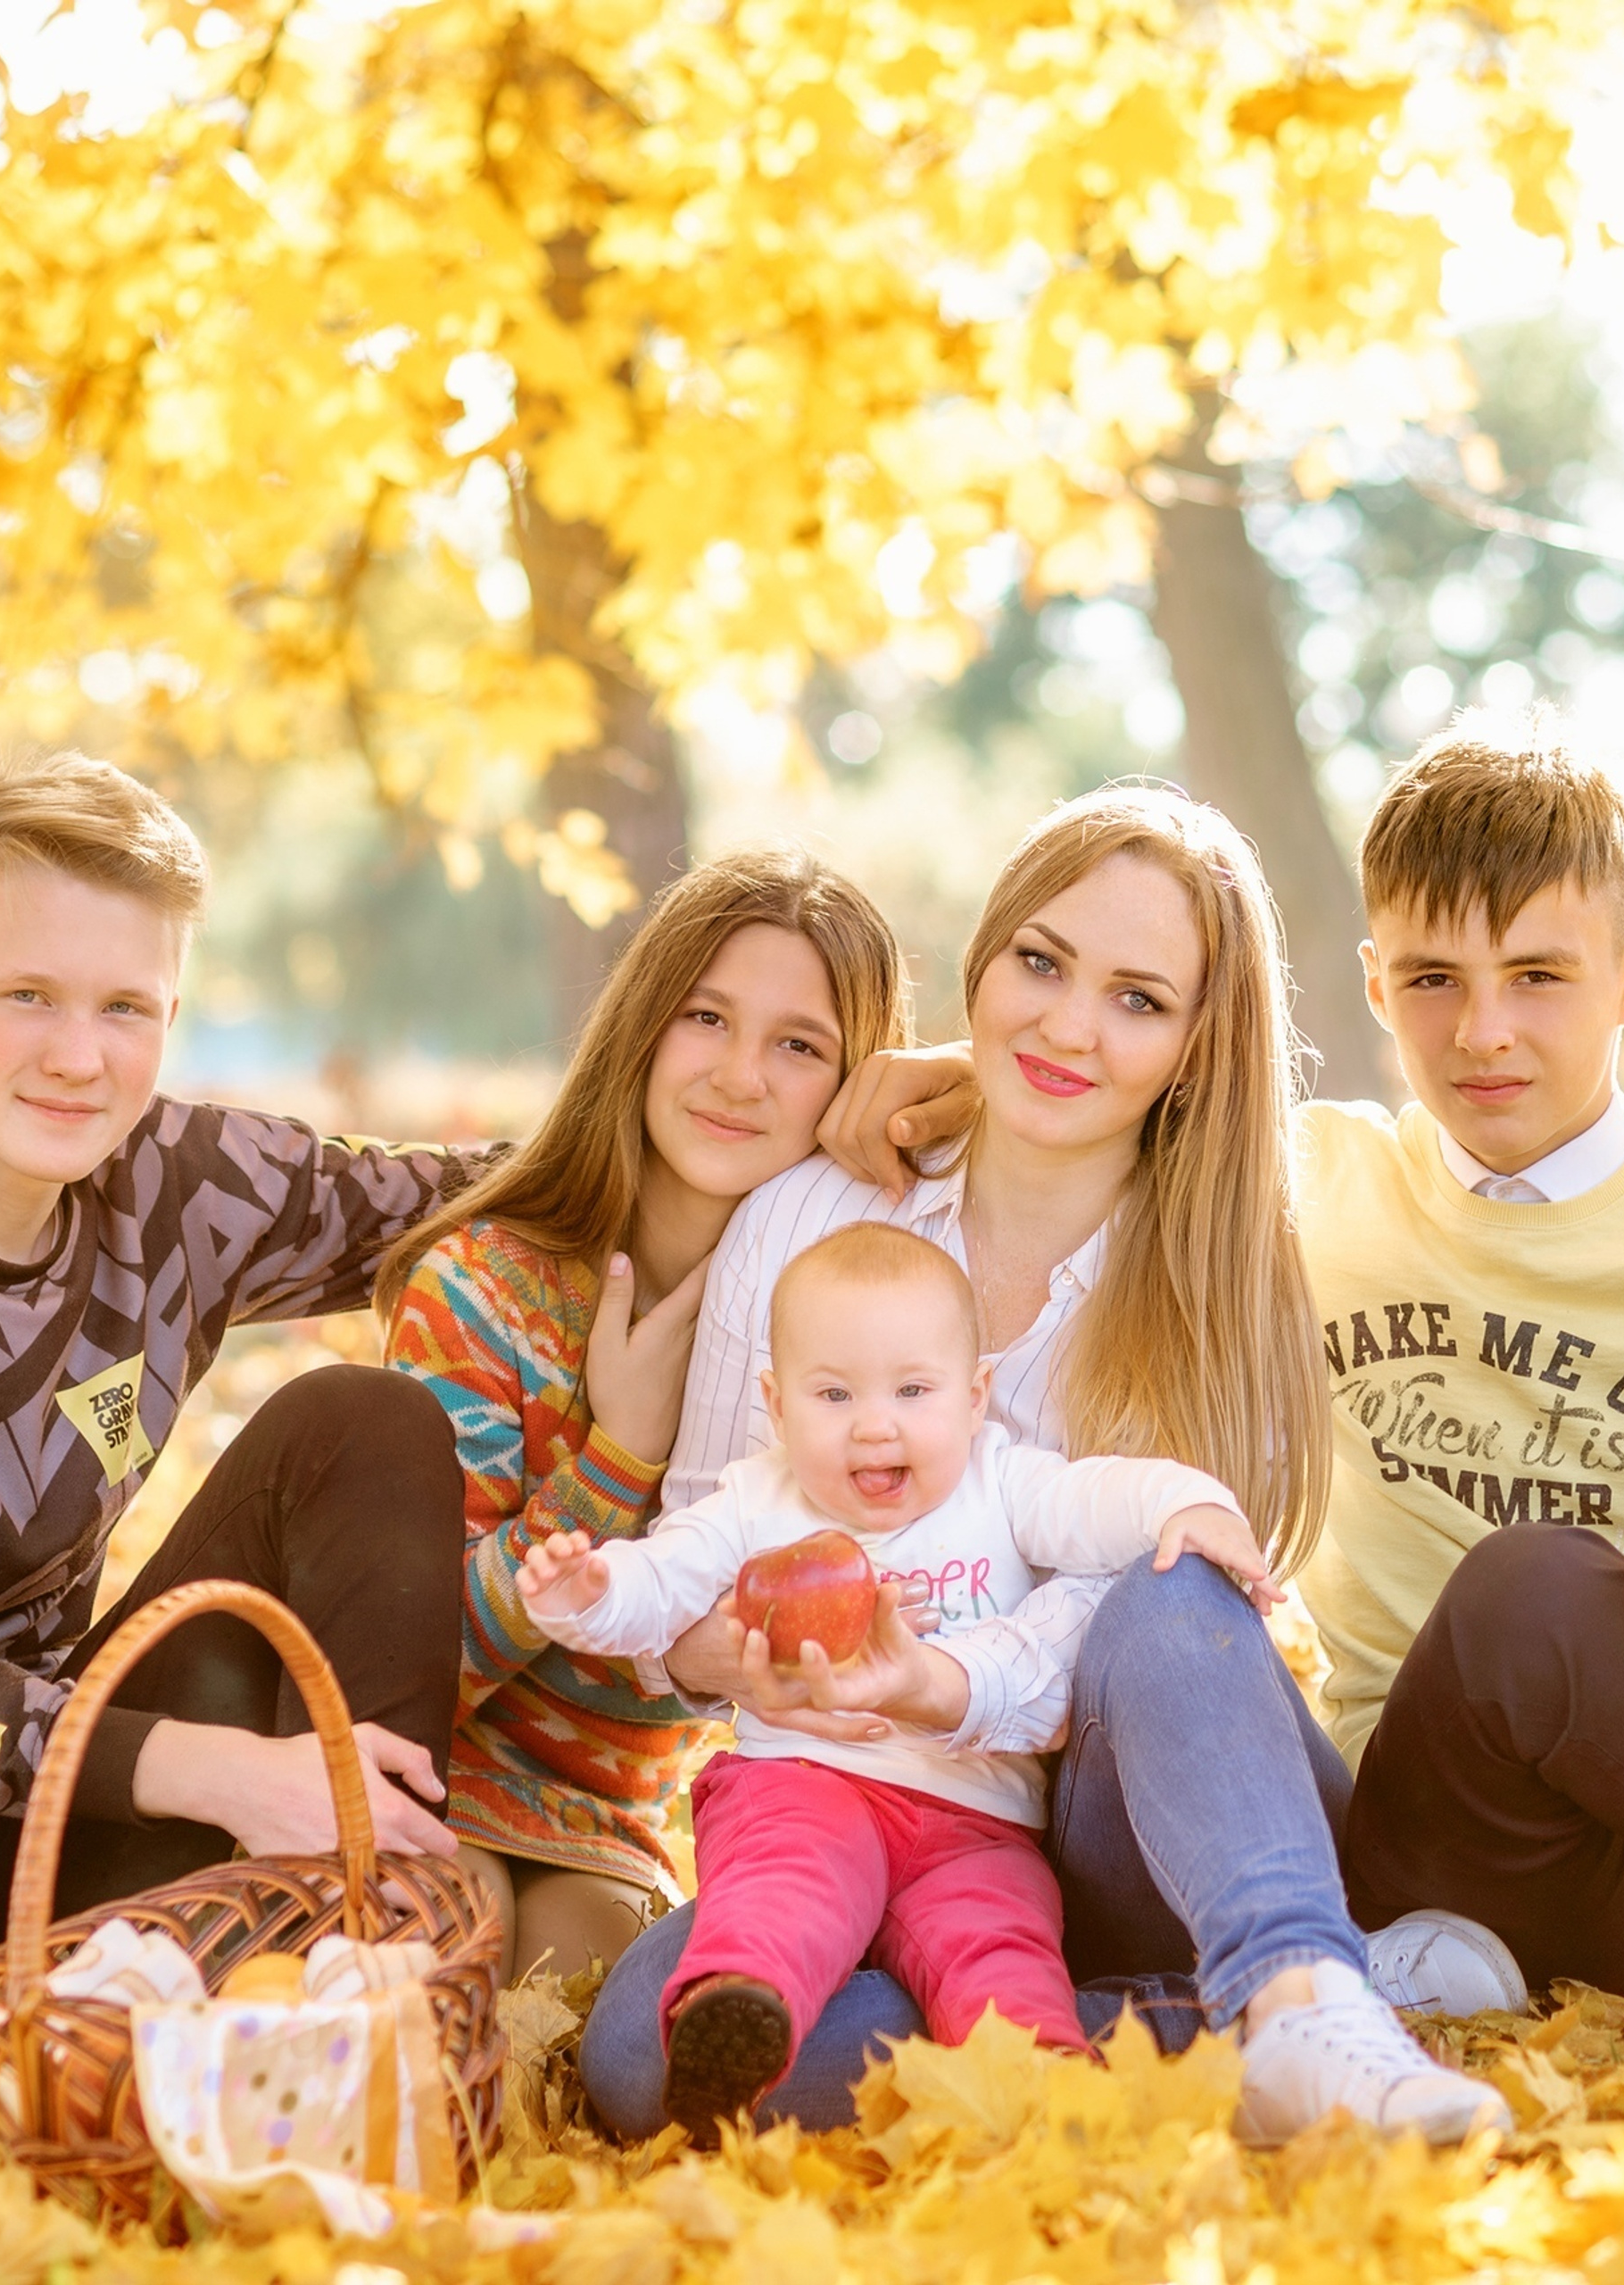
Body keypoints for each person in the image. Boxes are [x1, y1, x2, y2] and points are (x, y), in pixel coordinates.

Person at [851, 713, 1624, 2111]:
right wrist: (948, 1071)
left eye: (1538, 975)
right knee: (1526, 1591)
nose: (1483, 1032)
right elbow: (1112, 1067)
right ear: (1376, 984)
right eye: (1434, 979)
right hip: (1478, 1850)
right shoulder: (1307, 1184)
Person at [580, 784, 1515, 2148]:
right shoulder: (807, 1220)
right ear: (983, 962)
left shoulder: (1211, 1289)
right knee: (643, 2056)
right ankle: (1230, 2028)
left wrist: (940, 1682)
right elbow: (697, 1568)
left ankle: (1292, 1982)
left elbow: (1133, 1644)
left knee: (1167, 1579)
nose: (1069, 1025)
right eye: (1040, 961)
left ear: (1194, 1046)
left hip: (1145, 1833)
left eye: (1138, 999)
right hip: (858, 1823)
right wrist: (747, 1651)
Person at [0, 753, 493, 2132]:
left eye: (126, 1008)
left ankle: (358, 1963)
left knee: (359, 1418)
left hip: (73, 1822)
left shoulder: (183, 1180)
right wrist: (235, 1775)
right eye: (27, 996)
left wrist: (844, 1112)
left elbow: (489, 1199)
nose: (77, 1055)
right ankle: (33, 2070)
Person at [520, 1223, 1277, 2132]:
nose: (875, 1424)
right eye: (834, 1394)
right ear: (776, 1405)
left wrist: (1191, 1503)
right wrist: (590, 1592)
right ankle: (739, 2007)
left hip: (974, 1821)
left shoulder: (1002, 1481)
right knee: (782, 1887)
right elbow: (664, 1579)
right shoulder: (756, 1499)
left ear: (974, 1396)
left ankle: (1041, 2089)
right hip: (807, 1781)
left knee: (999, 1948)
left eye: (913, 1391)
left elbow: (1100, 1499)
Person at [377, 847, 908, 1982]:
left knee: (568, 1986)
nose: (739, 1075)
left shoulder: (834, 1342)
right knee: (447, 1944)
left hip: (605, 1822)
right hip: (422, 1774)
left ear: (853, 1087)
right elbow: (420, 1664)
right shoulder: (485, 1287)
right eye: (705, 1017)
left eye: (800, 1046)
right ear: (644, 1026)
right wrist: (613, 1460)